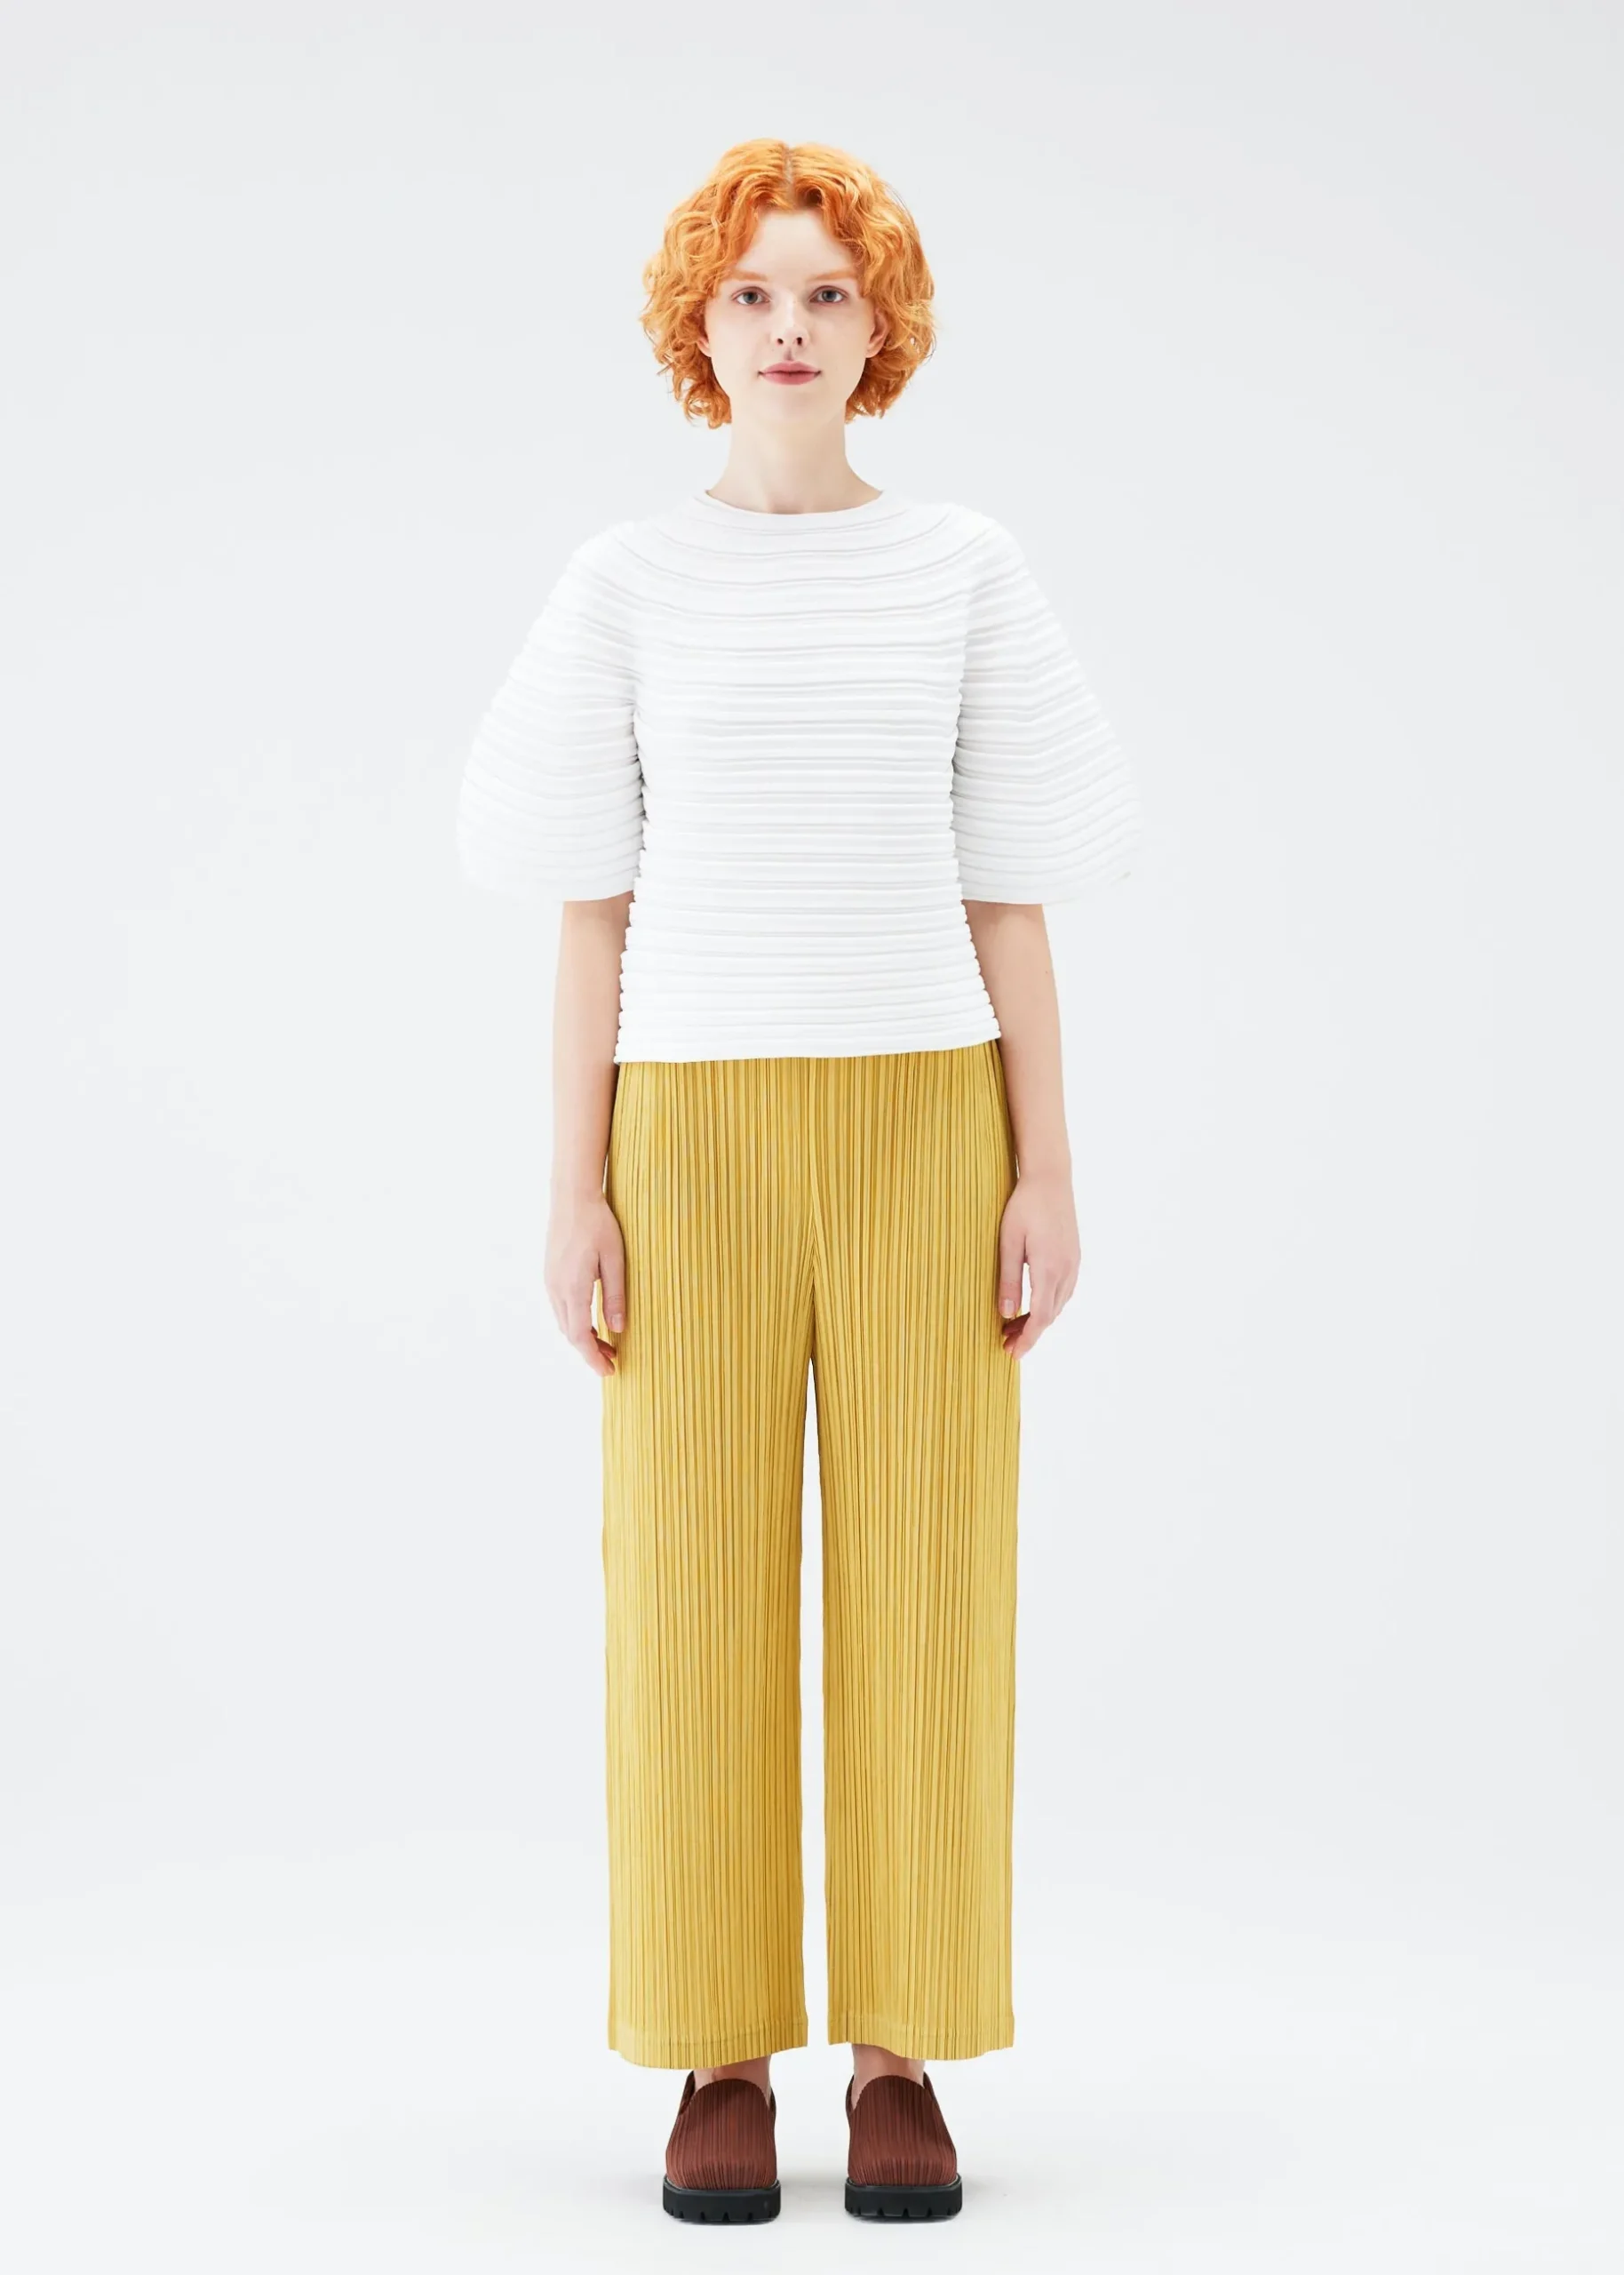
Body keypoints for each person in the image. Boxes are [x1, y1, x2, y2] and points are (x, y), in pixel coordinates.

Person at [457, 137, 1142, 2224]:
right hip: (688, 1136)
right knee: (685, 1585)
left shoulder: (960, 568)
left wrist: (1045, 1163)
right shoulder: (624, 582)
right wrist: (572, 1186)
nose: (787, 326)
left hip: (929, 1119)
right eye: (749, 292)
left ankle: (900, 2051)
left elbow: (1007, 892)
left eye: (825, 293)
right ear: (698, 322)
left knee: (929, 1580)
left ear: (879, 328)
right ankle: (718, 2049)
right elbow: (589, 909)